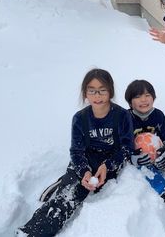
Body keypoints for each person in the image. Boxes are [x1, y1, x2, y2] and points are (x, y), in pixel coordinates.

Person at [16, 68, 134, 237]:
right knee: (67, 196)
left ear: (110, 91)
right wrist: (84, 171)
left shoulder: (122, 116)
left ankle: (66, 180)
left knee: (96, 191)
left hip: (109, 161)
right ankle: (30, 233)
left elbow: (126, 148)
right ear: (85, 93)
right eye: (92, 91)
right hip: (85, 160)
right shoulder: (80, 118)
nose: (97, 96)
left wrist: (107, 166)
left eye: (102, 90)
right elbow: (76, 151)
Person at [124, 79, 165, 225]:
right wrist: (132, 157)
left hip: (157, 154)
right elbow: (122, 145)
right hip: (140, 158)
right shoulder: (126, 118)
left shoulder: (158, 115)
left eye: (147, 95)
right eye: (137, 97)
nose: (143, 100)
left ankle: (161, 167)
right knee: (147, 170)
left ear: (153, 97)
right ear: (130, 102)